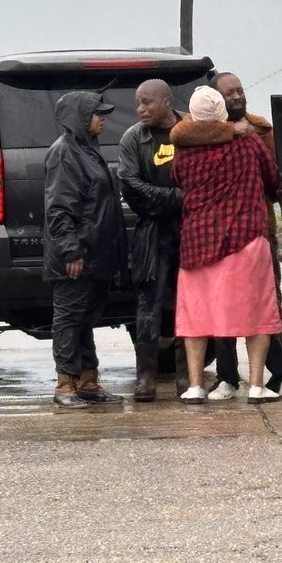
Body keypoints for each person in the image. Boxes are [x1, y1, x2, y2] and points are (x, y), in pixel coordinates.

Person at [172, 71, 282, 401]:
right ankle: (240, 380)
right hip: (244, 237)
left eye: (239, 91)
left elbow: (177, 173)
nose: (236, 97)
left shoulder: (252, 131)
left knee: (227, 310)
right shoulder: (243, 141)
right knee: (249, 311)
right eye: (228, 93)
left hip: (214, 239)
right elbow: (275, 180)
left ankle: (277, 375)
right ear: (219, 106)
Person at [43, 91, 124, 407]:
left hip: (95, 255)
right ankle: (65, 385)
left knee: (85, 319)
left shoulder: (87, 150)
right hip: (76, 257)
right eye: (97, 113)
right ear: (80, 117)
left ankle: (88, 381)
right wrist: (71, 252)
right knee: (68, 318)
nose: (102, 118)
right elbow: (60, 208)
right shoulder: (65, 153)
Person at [118, 79, 189, 401]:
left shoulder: (191, 129)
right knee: (150, 303)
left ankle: (187, 377)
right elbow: (131, 187)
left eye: (146, 102)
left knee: (188, 303)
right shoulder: (133, 138)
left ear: (166, 100)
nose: (140, 109)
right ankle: (145, 379)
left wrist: (186, 201)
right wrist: (176, 197)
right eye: (137, 103)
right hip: (152, 232)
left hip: (191, 230)